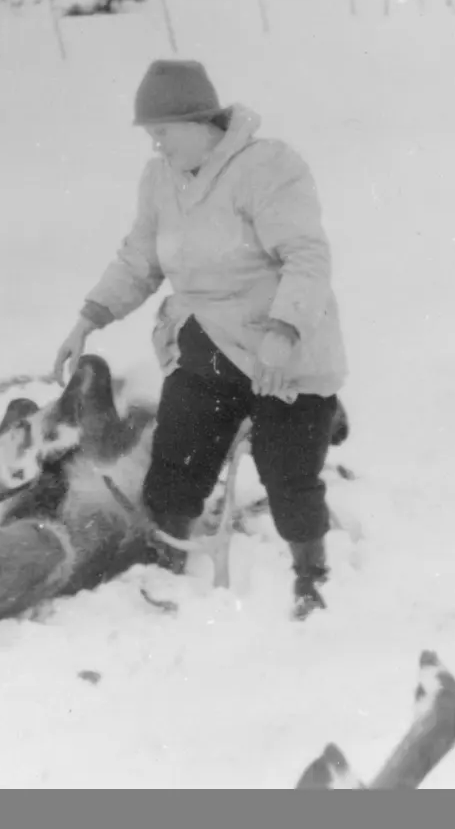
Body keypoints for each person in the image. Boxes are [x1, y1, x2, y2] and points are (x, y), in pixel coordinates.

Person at [53, 61, 348, 620]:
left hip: (280, 349)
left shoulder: (268, 167)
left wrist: (284, 333)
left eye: (162, 133)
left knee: (289, 476)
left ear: (196, 122)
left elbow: (306, 257)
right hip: (207, 345)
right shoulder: (160, 179)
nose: (157, 146)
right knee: (176, 462)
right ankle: (167, 567)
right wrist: (89, 317)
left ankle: (310, 578)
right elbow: (138, 259)